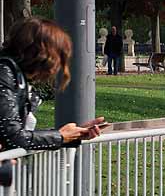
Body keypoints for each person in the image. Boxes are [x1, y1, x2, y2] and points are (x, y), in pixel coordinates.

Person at [0, 19, 105, 151]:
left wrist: (70, 136)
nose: (57, 66)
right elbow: (14, 137)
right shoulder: (5, 73)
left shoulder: (13, 75)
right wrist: (61, 136)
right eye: (58, 56)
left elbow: (17, 136)